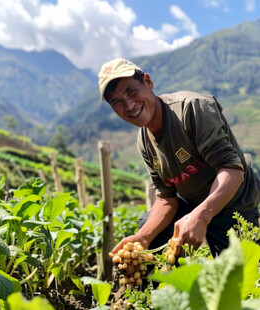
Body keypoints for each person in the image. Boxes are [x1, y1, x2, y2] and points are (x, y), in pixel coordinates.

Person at [98, 57, 260, 257]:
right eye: (117, 101)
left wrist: (201, 216)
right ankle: (168, 286)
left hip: (232, 207)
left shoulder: (192, 109)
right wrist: (143, 237)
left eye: (131, 91)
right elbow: (167, 198)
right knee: (148, 227)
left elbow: (233, 171)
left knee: (238, 280)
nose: (129, 105)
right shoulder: (144, 141)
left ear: (148, 82)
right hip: (192, 207)